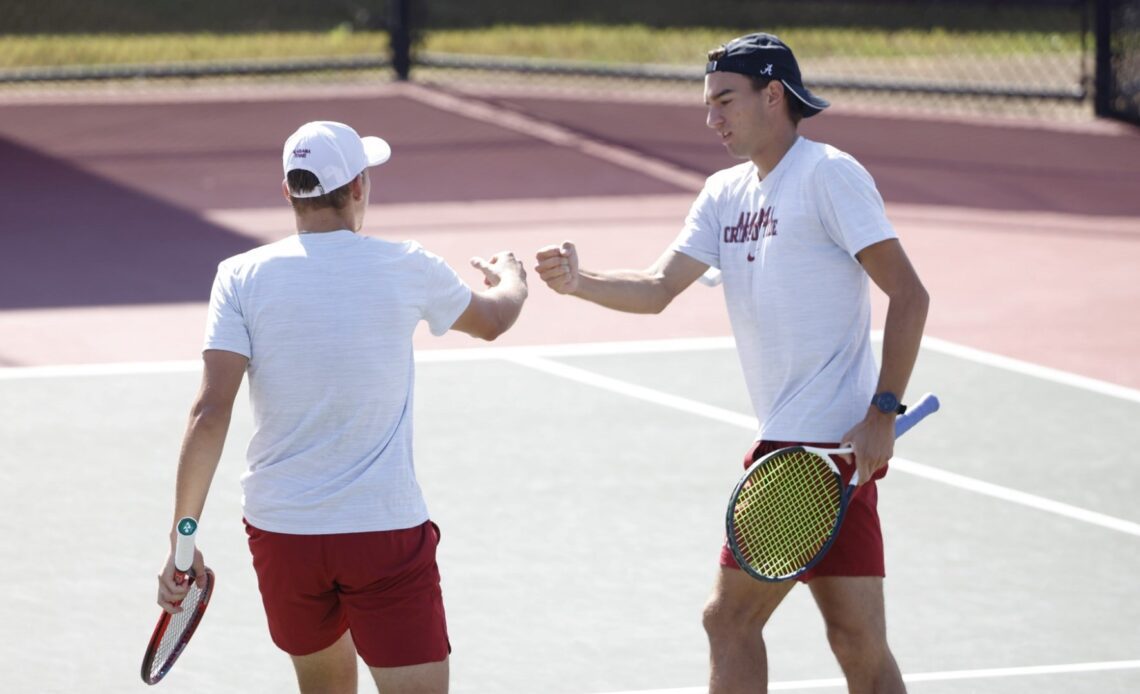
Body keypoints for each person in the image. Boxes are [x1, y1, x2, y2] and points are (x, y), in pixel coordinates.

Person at [534, 33, 928, 693]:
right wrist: (581, 281)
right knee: (858, 642)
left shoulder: (829, 174)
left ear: (773, 96)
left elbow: (910, 295)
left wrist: (883, 411)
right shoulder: (724, 194)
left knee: (728, 620)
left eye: (725, 100)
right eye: (707, 102)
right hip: (821, 459)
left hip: (811, 447)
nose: (711, 118)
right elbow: (659, 289)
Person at [156, 120, 528, 694]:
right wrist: (512, 278)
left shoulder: (238, 276)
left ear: (289, 193)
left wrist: (182, 547)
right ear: (358, 187)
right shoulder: (408, 264)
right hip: (383, 533)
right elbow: (494, 319)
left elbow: (210, 412)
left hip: (283, 536)